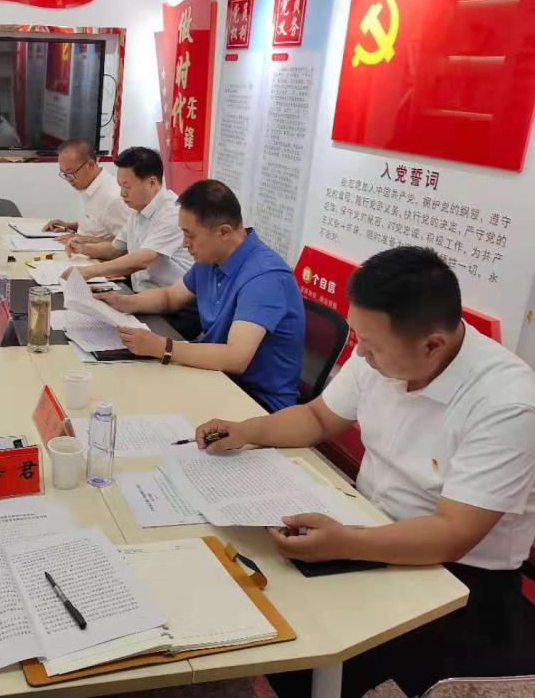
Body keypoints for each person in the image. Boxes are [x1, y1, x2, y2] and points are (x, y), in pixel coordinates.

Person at [195, 247, 535, 697]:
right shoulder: (384, 351)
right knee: (253, 588)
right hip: (365, 520)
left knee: (311, 653)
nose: (359, 353)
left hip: (456, 575)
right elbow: (318, 417)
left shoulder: (506, 403)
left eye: (370, 345)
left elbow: (453, 533)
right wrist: (245, 431)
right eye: (358, 336)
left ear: (432, 344)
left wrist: (345, 544)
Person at [97, 179, 304, 411]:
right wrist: (124, 302)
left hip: (255, 400)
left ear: (224, 232)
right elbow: (171, 297)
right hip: (215, 376)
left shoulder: (264, 277)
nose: (184, 243)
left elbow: (236, 357)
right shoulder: (211, 258)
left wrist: (163, 347)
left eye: (190, 235)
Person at [63, 146, 192, 291]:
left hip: (171, 298)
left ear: (152, 183)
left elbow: (143, 259)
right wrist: (83, 248)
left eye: (127, 186)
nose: (122, 194)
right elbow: (115, 249)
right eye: (120, 186)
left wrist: (89, 272)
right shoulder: (138, 209)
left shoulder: (172, 212)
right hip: (141, 291)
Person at [42, 139, 130, 243]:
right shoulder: (87, 185)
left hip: (96, 253)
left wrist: (86, 240)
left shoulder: (114, 197)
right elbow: (96, 226)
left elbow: (127, 243)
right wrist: (68, 226)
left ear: (90, 165)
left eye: (70, 173)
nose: (69, 179)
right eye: (64, 174)